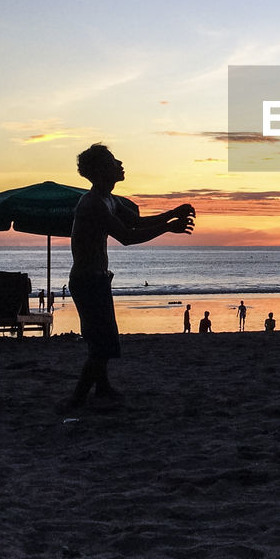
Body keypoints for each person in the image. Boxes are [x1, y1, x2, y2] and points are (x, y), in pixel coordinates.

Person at [64, 143, 195, 411]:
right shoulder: (93, 204)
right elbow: (127, 236)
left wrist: (172, 214)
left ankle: (102, 388)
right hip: (87, 281)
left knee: (102, 338)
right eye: (113, 161)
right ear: (102, 170)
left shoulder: (109, 200)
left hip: (97, 279)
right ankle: (75, 400)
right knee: (102, 342)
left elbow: (137, 222)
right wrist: (168, 228)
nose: (120, 163)